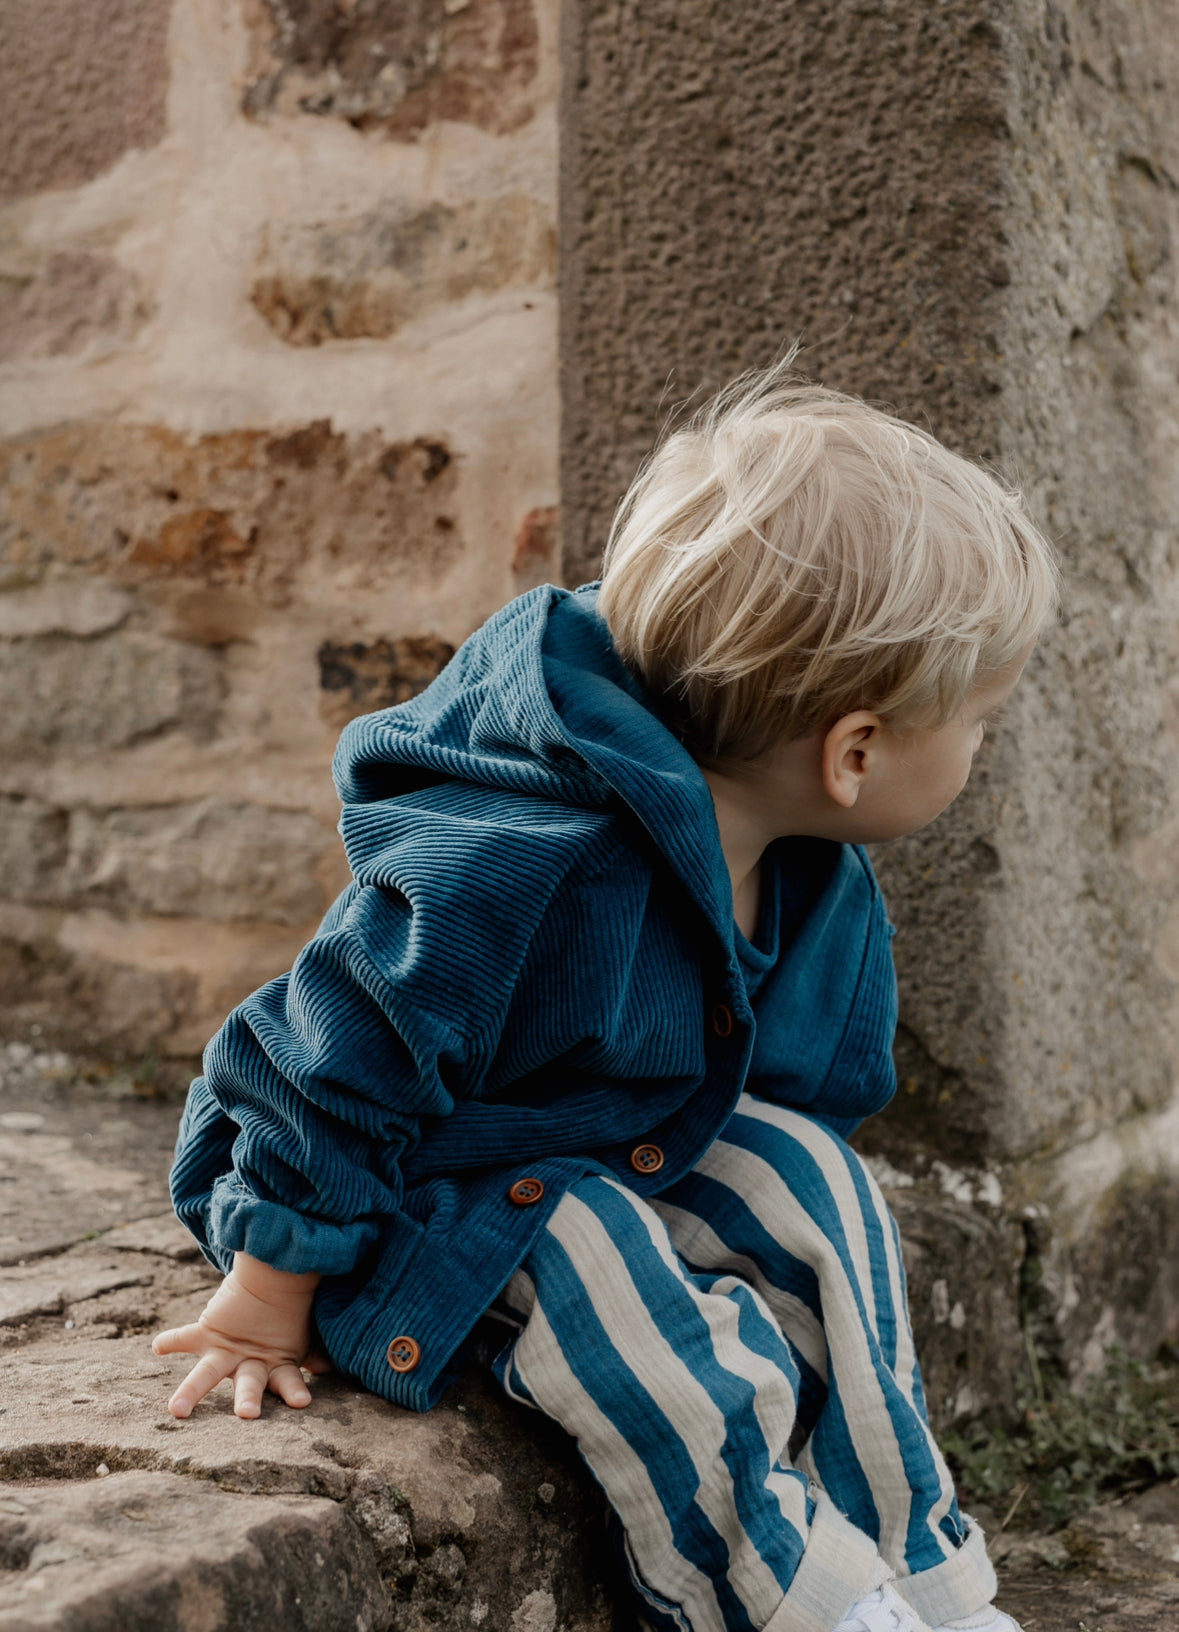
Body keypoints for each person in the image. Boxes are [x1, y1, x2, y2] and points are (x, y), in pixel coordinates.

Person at [154, 365, 1059, 1632]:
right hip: (386, 1170)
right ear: (854, 755)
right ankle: (795, 1605)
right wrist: (270, 1293)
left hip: (596, 1143)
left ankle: (921, 1571)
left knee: (812, 1181)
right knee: (602, 1262)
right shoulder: (523, 857)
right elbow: (327, 1048)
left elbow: (792, 1098)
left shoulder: (811, 875)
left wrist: (758, 1228)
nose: (981, 748)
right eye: (982, 724)